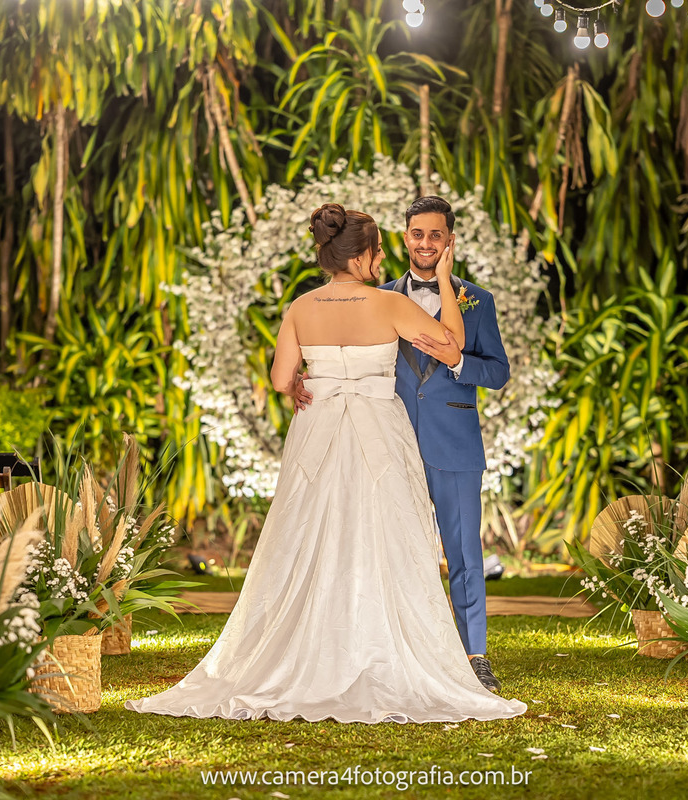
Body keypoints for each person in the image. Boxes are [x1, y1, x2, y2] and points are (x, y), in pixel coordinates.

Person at [125, 203, 526, 723]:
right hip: (379, 432)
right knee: (386, 540)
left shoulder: (300, 307)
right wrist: (447, 284)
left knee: (311, 536)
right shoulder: (385, 304)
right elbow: (449, 342)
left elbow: (278, 379)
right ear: (361, 257)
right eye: (381, 248)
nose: (385, 256)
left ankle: (315, 651)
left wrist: (304, 384)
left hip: (318, 433)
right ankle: (380, 648)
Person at [379, 196, 510, 693]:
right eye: (418, 233)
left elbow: (497, 372)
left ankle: (474, 655)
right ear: (405, 237)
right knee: (397, 552)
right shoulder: (382, 297)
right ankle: (403, 653)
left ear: (450, 241)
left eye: (436, 235)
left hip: (455, 445)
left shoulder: (477, 300)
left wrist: (458, 365)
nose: (426, 243)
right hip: (394, 445)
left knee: (464, 556)